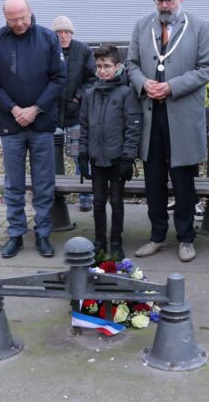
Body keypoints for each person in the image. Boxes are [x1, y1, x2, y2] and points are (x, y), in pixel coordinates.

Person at [127, 0, 209, 263]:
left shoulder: (200, 27)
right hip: (151, 117)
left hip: (183, 117)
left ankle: (186, 237)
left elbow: (206, 69)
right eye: (159, 0)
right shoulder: (142, 25)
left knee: (183, 182)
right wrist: (143, 83)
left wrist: (171, 87)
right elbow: (131, 64)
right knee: (153, 180)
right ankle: (156, 236)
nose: (164, 5)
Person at [0, 0, 66, 259]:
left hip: (41, 124)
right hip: (10, 124)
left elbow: (59, 78)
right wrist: (14, 109)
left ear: (31, 12)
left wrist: (36, 109)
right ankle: (16, 233)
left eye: (23, 17)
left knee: (44, 183)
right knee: (14, 184)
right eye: (13, 19)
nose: (19, 23)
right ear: (5, 18)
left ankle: (42, 233)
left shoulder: (48, 39)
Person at [79, 44, 142, 260]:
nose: (103, 70)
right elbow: (85, 126)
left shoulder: (127, 93)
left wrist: (127, 157)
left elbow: (133, 127)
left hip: (117, 159)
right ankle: (99, 241)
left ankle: (116, 240)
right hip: (97, 158)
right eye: (99, 66)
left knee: (116, 200)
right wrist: (83, 154)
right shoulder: (90, 95)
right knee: (98, 201)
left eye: (107, 66)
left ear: (117, 66)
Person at [52, 15, 96, 213]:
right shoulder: (48, 51)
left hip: (75, 114)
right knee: (51, 156)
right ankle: (54, 195)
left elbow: (92, 78)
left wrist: (78, 98)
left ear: (72, 33)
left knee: (80, 155)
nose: (63, 36)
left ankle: (86, 195)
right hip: (52, 114)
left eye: (66, 32)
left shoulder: (84, 50)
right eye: (59, 32)